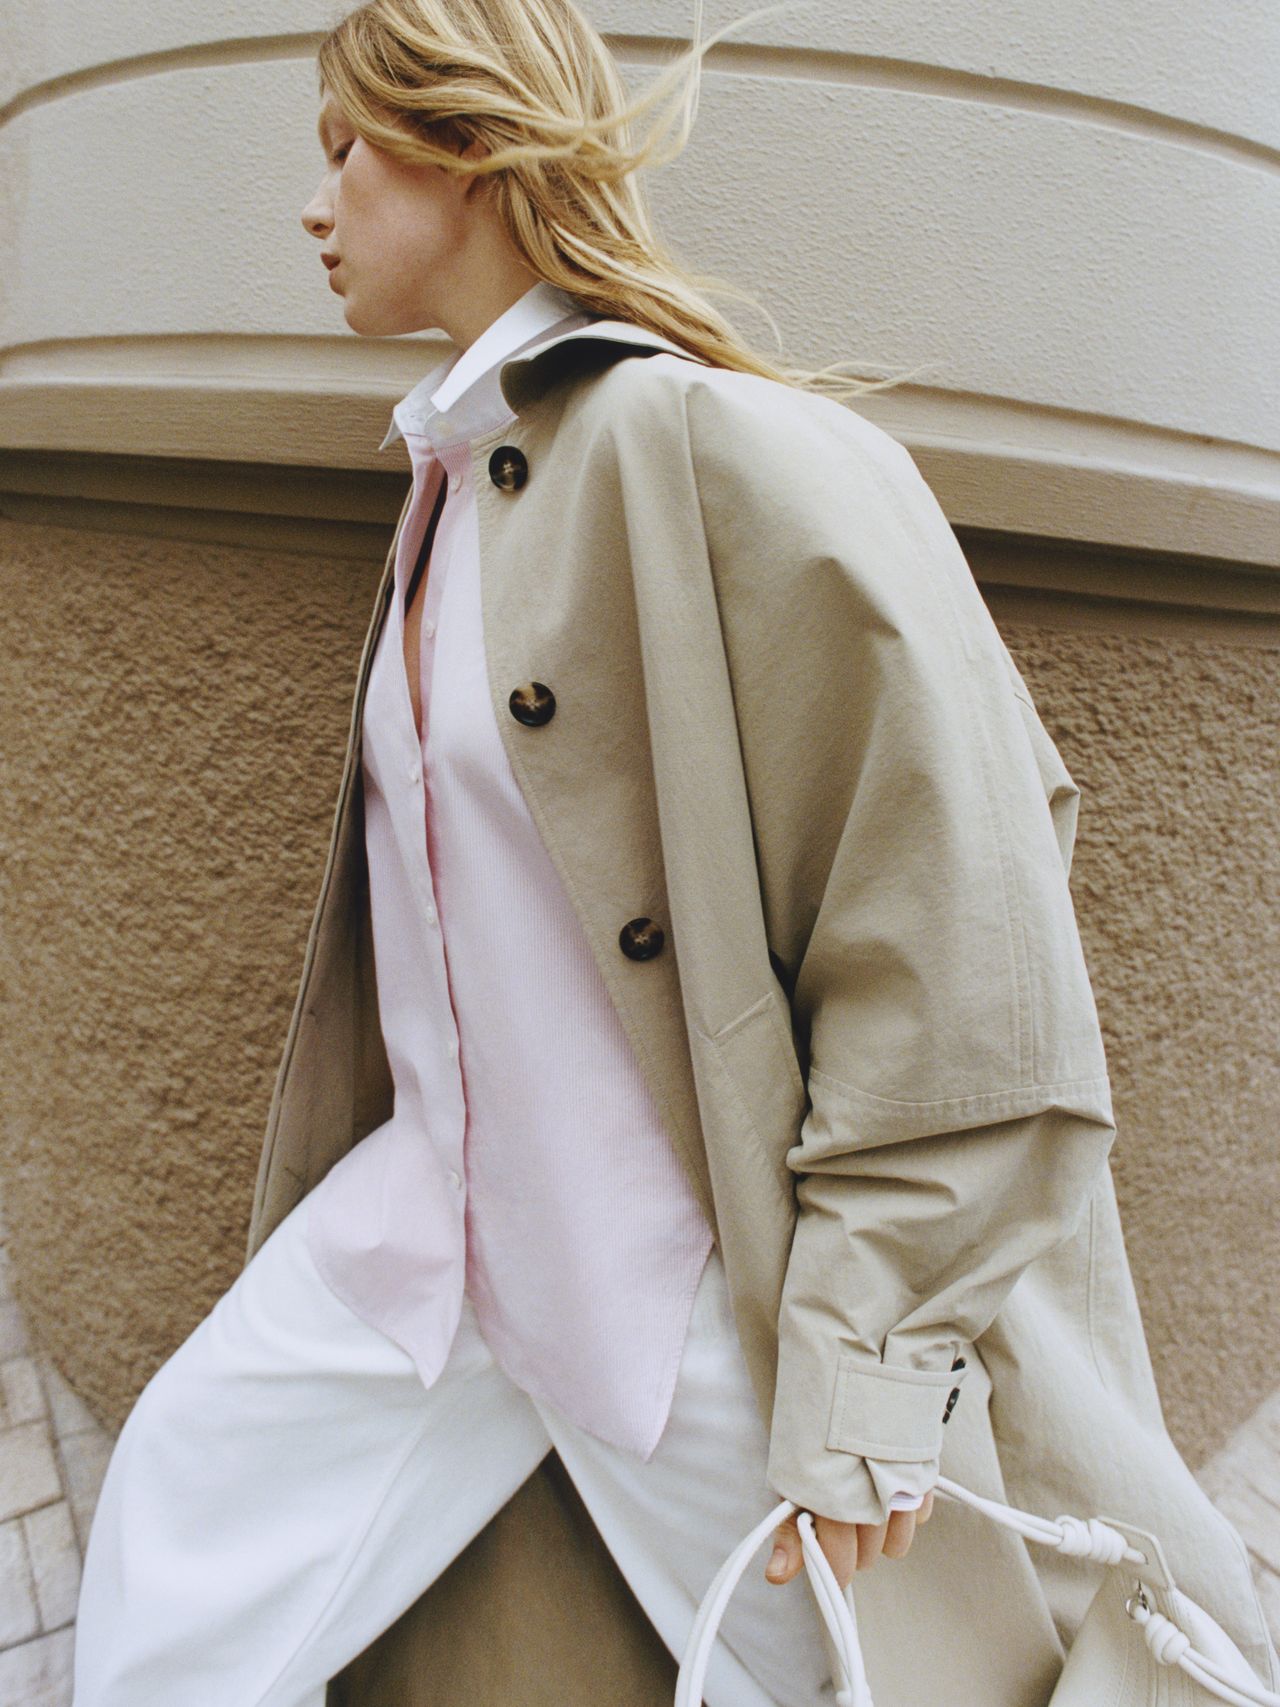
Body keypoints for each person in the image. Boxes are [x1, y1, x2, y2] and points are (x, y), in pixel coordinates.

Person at [71, 2, 1279, 1704]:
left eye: (347, 147)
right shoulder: (459, 477)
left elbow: (957, 923)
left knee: (900, 1671)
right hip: (432, 1241)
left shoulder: (705, 450)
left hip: (671, 1282)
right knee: (174, 1534)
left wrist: (862, 1377)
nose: (313, 203)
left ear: (471, 144)